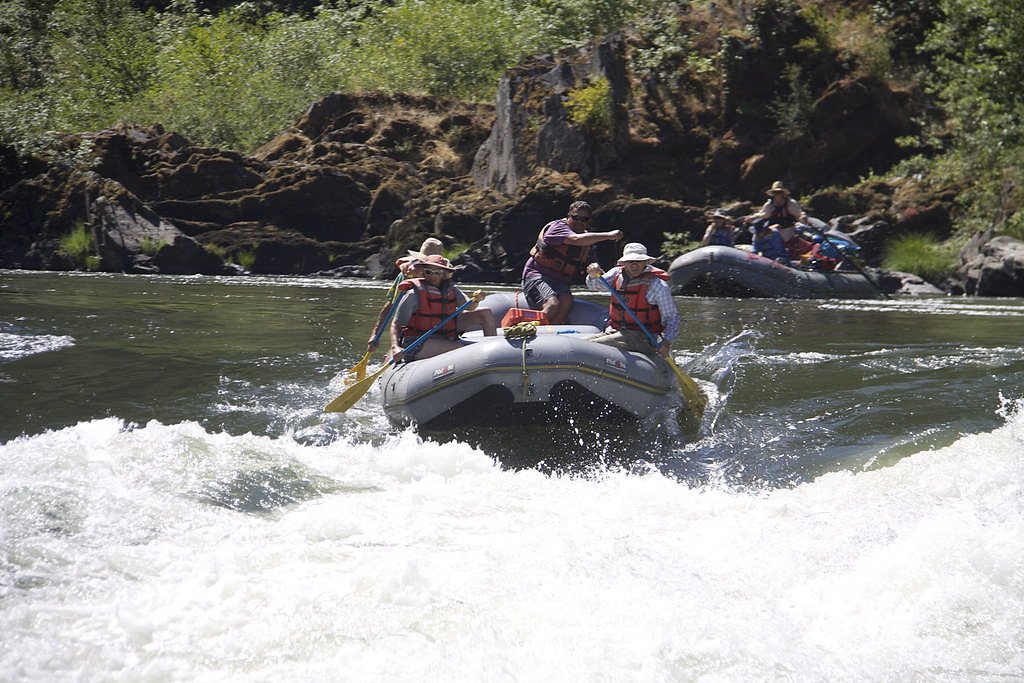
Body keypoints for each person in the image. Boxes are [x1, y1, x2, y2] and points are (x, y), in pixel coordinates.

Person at [521, 200, 623, 324]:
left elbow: (594, 268)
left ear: (588, 221)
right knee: (553, 304)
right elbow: (575, 239)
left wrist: (597, 271)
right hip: (537, 275)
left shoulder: (588, 244)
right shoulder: (558, 227)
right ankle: (529, 329)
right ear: (569, 216)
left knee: (567, 301)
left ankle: (551, 330)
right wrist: (608, 235)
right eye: (576, 218)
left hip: (560, 281)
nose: (579, 222)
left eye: (584, 219)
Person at [388, 254, 496, 363]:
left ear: (443, 274)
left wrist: (477, 300)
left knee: (485, 312)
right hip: (417, 342)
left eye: (437, 272)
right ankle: (487, 358)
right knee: (464, 348)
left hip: (445, 334)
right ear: (423, 273)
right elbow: (396, 324)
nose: (432, 276)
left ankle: (495, 350)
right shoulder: (413, 294)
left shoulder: (451, 290)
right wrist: (395, 347)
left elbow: (470, 307)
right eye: (428, 272)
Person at [584, 242, 679, 358]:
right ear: (624, 263)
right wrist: (593, 275)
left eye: (638, 261)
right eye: (630, 261)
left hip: (643, 336)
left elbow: (672, 318)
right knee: (583, 342)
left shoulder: (657, 285)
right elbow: (596, 286)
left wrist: (666, 342)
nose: (634, 265)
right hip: (616, 330)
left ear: (646, 262)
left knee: (588, 346)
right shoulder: (616, 273)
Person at [367, 237, 446, 352]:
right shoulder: (405, 276)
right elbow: (391, 304)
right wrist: (375, 334)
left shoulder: (444, 277)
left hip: (439, 333)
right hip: (411, 335)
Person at [747, 181, 812, 261]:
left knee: (777, 239)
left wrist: (803, 217)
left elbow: (799, 214)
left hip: (788, 231)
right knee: (765, 237)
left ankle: (782, 257)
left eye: (779, 192)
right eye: (775, 192)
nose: (777, 194)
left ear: (783, 193)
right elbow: (763, 214)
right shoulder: (769, 205)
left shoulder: (790, 203)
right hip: (773, 232)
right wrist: (752, 217)